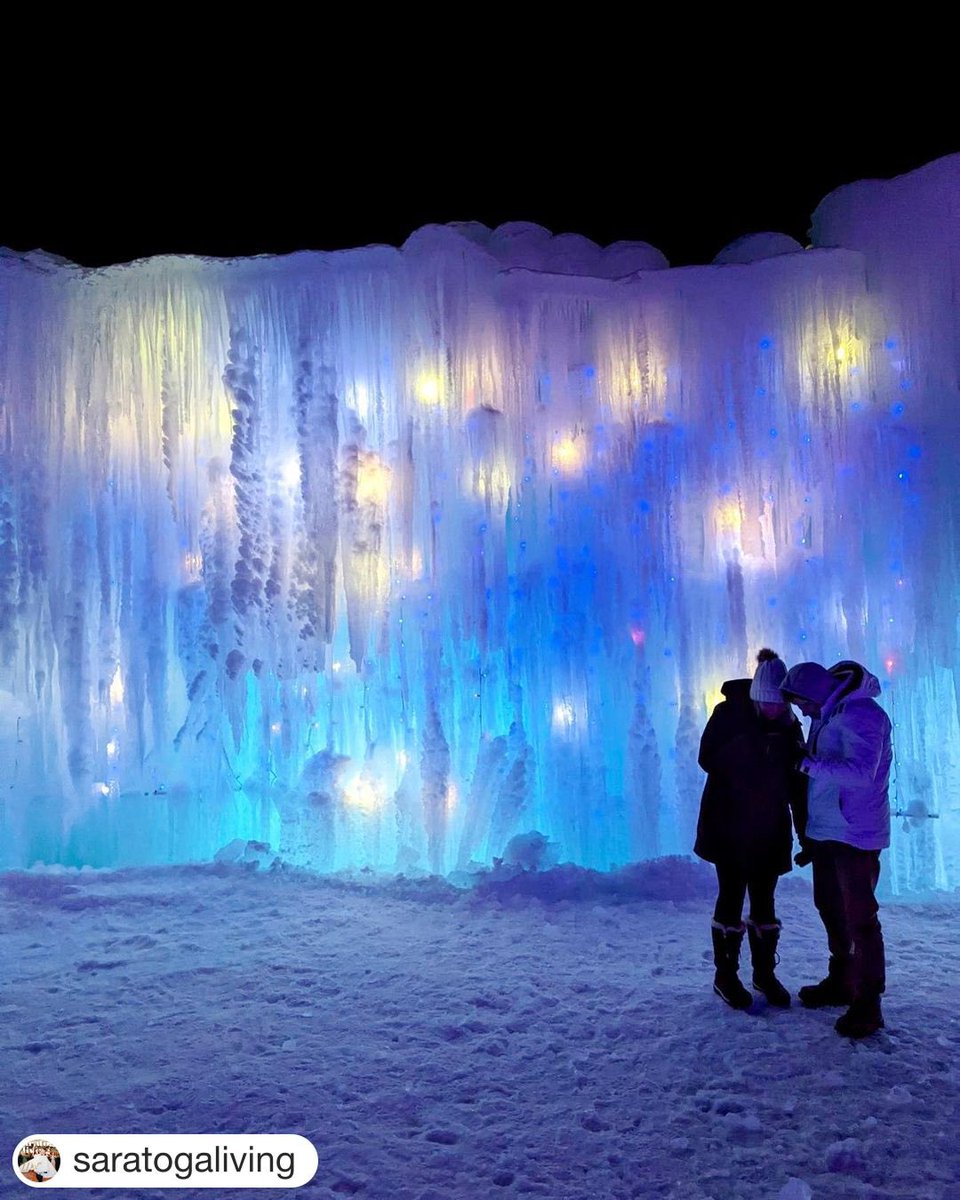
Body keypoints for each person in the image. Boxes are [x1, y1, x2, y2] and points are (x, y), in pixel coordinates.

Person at [780, 659, 892, 1039]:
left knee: (860, 915)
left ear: (816, 692)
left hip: (855, 833)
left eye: (803, 703)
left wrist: (807, 763)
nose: (802, 711)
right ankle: (843, 977)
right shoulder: (830, 713)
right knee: (829, 905)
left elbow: (861, 774)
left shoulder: (862, 714)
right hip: (829, 829)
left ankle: (868, 1001)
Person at [695, 649, 807, 1009]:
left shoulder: (791, 729)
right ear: (757, 696)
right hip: (728, 826)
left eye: (782, 704)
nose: (775, 710)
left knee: (765, 901)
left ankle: (763, 973)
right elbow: (707, 758)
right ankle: (725, 975)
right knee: (730, 896)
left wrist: (806, 834)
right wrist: (750, 744)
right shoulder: (729, 714)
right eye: (769, 703)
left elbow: (797, 787)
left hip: (770, 829)